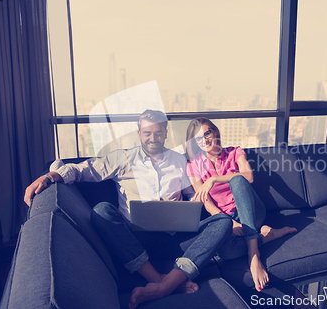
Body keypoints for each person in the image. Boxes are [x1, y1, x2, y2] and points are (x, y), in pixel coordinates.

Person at [24, 110, 232, 309]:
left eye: (158, 132)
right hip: (134, 241)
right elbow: (82, 170)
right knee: (102, 210)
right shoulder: (122, 158)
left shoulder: (178, 160)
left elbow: (190, 195)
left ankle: (165, 285)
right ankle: (160, 280)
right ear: (139, 133)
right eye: (147, 132)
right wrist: (49, 176)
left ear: (165, 133)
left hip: (173, 238)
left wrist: (192, 204)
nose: (153, 138)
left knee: (223, 222)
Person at [185, 117, 297, 292]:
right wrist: (230, 224)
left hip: (252, 211)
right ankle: (266, 236)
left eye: (207, 133)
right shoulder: (193, 166)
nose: (205, 140)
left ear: (215, 132)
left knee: (237, 180)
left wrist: (214, 179)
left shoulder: (234, 151)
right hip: (227, 218)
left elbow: (249, 176)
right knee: (225, 252)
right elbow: (206, 202)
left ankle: (254, 254)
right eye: (199, 138)